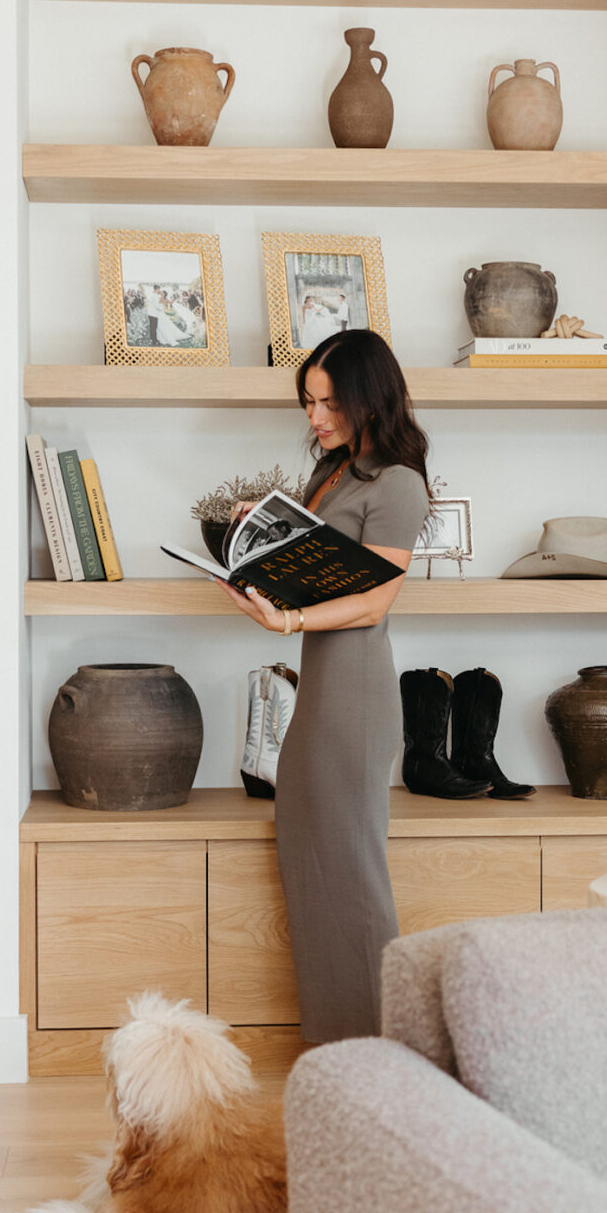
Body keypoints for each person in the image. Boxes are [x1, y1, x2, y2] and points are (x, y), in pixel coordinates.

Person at [216, 329, 431, 1043]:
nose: (315, 417)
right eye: (308, 402)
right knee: (311, 864)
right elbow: (320, 561)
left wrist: (289, 622)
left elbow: (373, 600)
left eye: (329, 401)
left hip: (356, 697)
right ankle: (333, 1044)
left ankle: (380, 1046)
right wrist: (262, 531)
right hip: (322, 693)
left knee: (352, 875)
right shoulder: (331, 475)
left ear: (370, 396)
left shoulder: (397, 482)